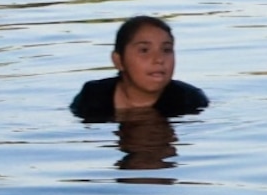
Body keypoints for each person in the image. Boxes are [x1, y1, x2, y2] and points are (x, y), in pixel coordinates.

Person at [71, 15, 209, 122]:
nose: (159, 59)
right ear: (118, 61)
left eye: (166, 50)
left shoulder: (189, 100)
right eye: (144, 50)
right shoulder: (92, 97)